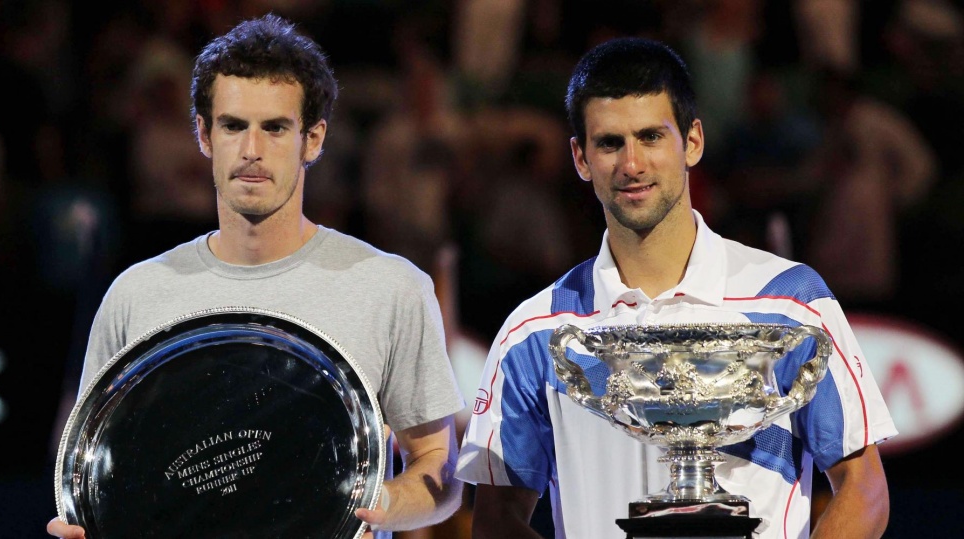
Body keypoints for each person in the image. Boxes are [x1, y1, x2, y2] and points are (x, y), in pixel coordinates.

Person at [455, 37, 896, 539]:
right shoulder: (535, 332)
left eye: (650, 137)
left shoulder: (789, 300)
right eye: (609, 143)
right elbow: (497, 520)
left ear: (692, 142)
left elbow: (864, 488)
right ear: (580, 158)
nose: (631, 164)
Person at [47, 13, 464, 539]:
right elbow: (103, 470)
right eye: (233, 126)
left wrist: (370, 498)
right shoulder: (136, 295)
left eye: (275, 127)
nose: (251, 150)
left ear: (313, 140)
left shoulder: (391, 287)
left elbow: (440, 472)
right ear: (203, 134)